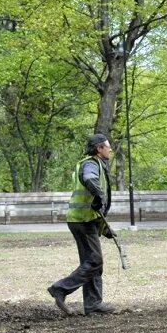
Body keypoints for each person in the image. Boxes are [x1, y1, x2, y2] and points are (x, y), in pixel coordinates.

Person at [48, 134, 116, 316]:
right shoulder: (91, 164)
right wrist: (99, 195)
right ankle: (61, 288)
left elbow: (93, 206)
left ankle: (93, 305)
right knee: (94, 261)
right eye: (107, 146)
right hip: (82, 221)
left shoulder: (96, 164)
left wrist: (105, 229)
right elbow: (89, 179)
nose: (110, 149)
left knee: (93, 263)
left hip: (84, 219)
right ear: (99, 149)